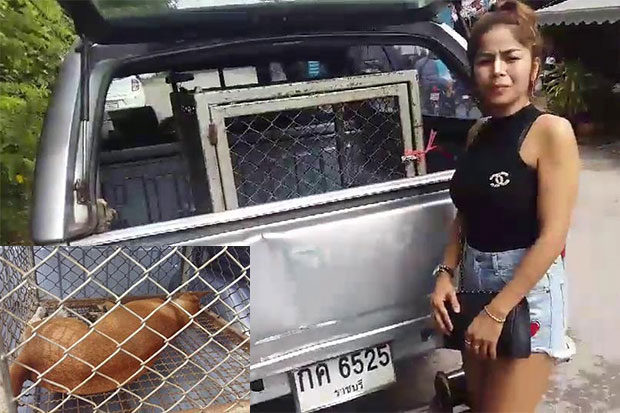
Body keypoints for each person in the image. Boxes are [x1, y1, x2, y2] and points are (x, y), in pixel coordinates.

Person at [429, 1, 580, 411]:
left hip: (527, 290)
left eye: (511, 57)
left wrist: (497, 312)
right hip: (475, 281)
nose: (497, 69)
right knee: (481, 404)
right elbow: (467, 212)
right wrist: (445, 272)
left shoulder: (551, 132)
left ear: (533, 67)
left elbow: (553, 236)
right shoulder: (479, 132)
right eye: (485, 60)